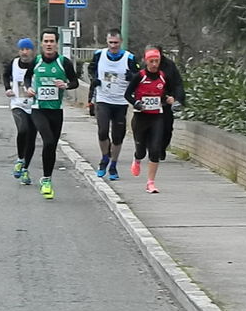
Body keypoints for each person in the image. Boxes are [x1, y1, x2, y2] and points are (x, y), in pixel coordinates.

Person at [24, 28, 78, 199]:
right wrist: (29, 88)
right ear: (41, 43)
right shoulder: (36, 61)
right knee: (47, 140)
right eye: (46, 41)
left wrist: (66, 85)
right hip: (38, 109)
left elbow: (75, 82)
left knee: (52, 146)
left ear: (57, 43)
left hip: (56, 110)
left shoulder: (64, 62)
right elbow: (27, 77)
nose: (49, 44)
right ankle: (46, 181)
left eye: (52, 41)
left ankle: (46, 179)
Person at [124, 47, 178, 193]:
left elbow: (170, 92)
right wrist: (136, 103)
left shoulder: (163, 77)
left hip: (157, 117)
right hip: (141, 118)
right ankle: (137, 159)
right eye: (151, 61)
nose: (154, 64)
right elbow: (127, 95)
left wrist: (169, 98)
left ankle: (150, 183)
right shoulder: (139, 76)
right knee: (141, 151)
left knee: (155, 150)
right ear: (146, 61)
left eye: (157, 61)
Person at [87, 29, 139, 179]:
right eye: (110, 43)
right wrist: (94, 79)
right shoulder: (99, 55)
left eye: (116, 43)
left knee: (117, 136)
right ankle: (104, 158)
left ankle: (114, 165)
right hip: (103, 99)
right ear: (107, 41)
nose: (113, 46)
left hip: (121, 101)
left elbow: (138, 76)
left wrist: (132, 77)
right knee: (102, 131)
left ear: (120, 42)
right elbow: (91, 69)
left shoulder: (129, 57)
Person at [2, 38, 37, 185]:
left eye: (27, 49)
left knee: (31, 139)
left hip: (35, 106)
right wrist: (8, 89)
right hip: (18, 104)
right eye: (22, 49)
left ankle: (25, 169)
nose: (24, 52)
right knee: (23, 130)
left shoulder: (38, 64)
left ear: (32, 51)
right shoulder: (14, 63)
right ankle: (20, 159)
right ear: (19, 51)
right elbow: (5, 75)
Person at [154, 46, 185, 160]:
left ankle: (161, 148)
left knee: (167, 128)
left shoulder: (169, 65)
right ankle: (152, 148)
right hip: (149, 103)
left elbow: (177, 83)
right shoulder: (144, 65)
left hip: (166, 102)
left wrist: (177, 98)